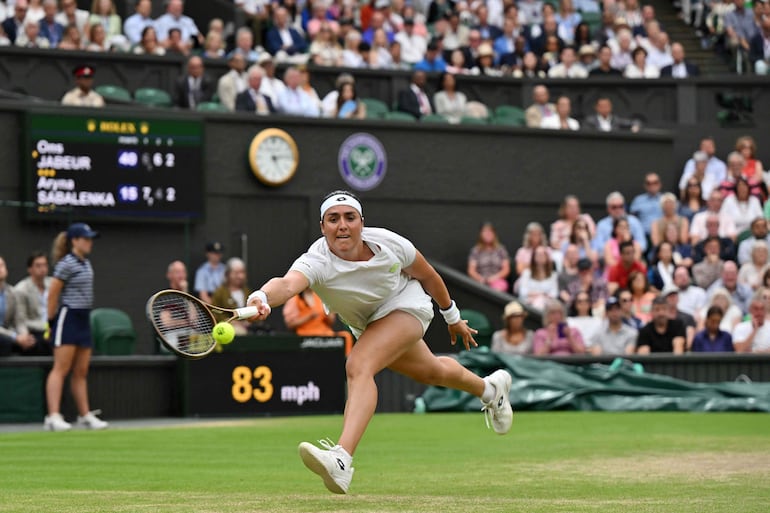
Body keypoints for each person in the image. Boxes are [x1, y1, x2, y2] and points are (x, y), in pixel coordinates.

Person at [244, 190, 513, 494]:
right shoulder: (316, 259)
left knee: (358, 365)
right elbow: (287, 283)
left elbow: (428, 275)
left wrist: (452, 318)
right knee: (432, 371)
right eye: (333, 219)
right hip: (370, 324)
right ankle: (491, 390)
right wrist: (263, 297)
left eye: (349, 217)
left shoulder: (391, 243)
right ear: (322, 227)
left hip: (408, 306)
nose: (342, 225)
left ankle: (342, 459)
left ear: (361, 222)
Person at [44, 222, 108, 431]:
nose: (90, 243)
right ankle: (53, 416)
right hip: (68, 317)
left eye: (90, 238)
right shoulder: (66, 263)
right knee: (60, 368)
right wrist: (51, 321)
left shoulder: (86, 263)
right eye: (86, 238)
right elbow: (53, 293)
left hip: (83, 318)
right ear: (75, 241)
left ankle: (84, 415)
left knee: (81, 371)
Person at [284, 287, 355, 355]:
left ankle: (346, 362)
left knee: (346, 336)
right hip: (305, 335)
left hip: (325, 334)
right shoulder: (295, 298)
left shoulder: (321, 296)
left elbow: (331, 321)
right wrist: (309, 316)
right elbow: (290, 324)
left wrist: (327, 315)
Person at [12, 251, 53, 355]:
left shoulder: (53, 284)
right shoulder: (21, 289)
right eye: (38, 266)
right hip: (35, 330)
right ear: (30, 269)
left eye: (44, 265)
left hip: (52, 329)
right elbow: (20, 319)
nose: (42, 269)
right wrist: (25, 336)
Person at [0, 256, 37, 357]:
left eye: (2, 265)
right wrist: (15, 337)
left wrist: (24, 336)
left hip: (9, 335)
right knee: (5, 343)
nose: (0, 269)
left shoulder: (12, 292)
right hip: (6, 337)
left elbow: (19, 320)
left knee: (36, 343)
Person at [467, 221, 511, 293]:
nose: (488, 234)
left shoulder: (501, 249)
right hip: (480, 281)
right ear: (480, 234)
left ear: (494, 234)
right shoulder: (476, 251)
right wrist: (481, 279)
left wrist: (495, 278)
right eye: (485, 232)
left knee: (498, 289)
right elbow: (471, 270)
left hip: (498, 280)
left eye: (490, 232)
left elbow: (506, 269)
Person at [518, 246, 559, 312]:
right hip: (528, 303)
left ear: (547, 257)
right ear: (533, 257)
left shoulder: (553, 275)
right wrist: (541, 294)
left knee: (541, 301)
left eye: (542, 255)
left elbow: (554, 294)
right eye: (538, 254)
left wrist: (540, 297)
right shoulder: (526, 273)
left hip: (546, 305)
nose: (540, 257)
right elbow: (523, 292)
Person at [629, 172, 663, 239]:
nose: (652, 186)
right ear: (645, 185)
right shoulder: (638, 200)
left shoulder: (665, 199)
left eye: (655, 183)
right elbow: (631, 219)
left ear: (660, 184)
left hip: (662, 235)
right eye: (649, 183)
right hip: (643, 235)